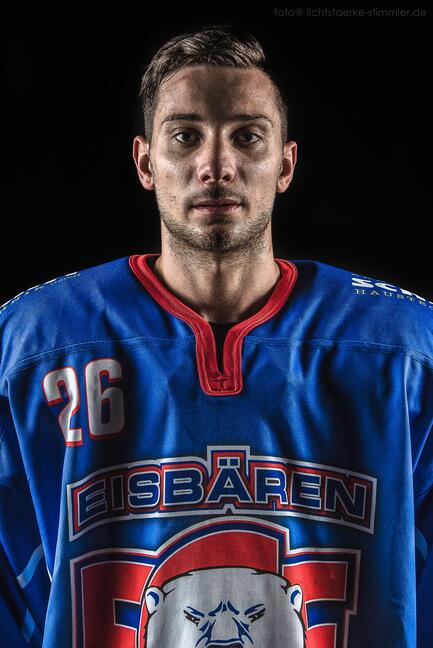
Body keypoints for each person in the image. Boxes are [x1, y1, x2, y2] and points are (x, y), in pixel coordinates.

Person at [0, 23, 432, 648]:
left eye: (247, 136)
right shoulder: (31, 345)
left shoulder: (404, 351)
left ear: (285, 164)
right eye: (186, 136)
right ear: (146, 162)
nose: (216, 167)